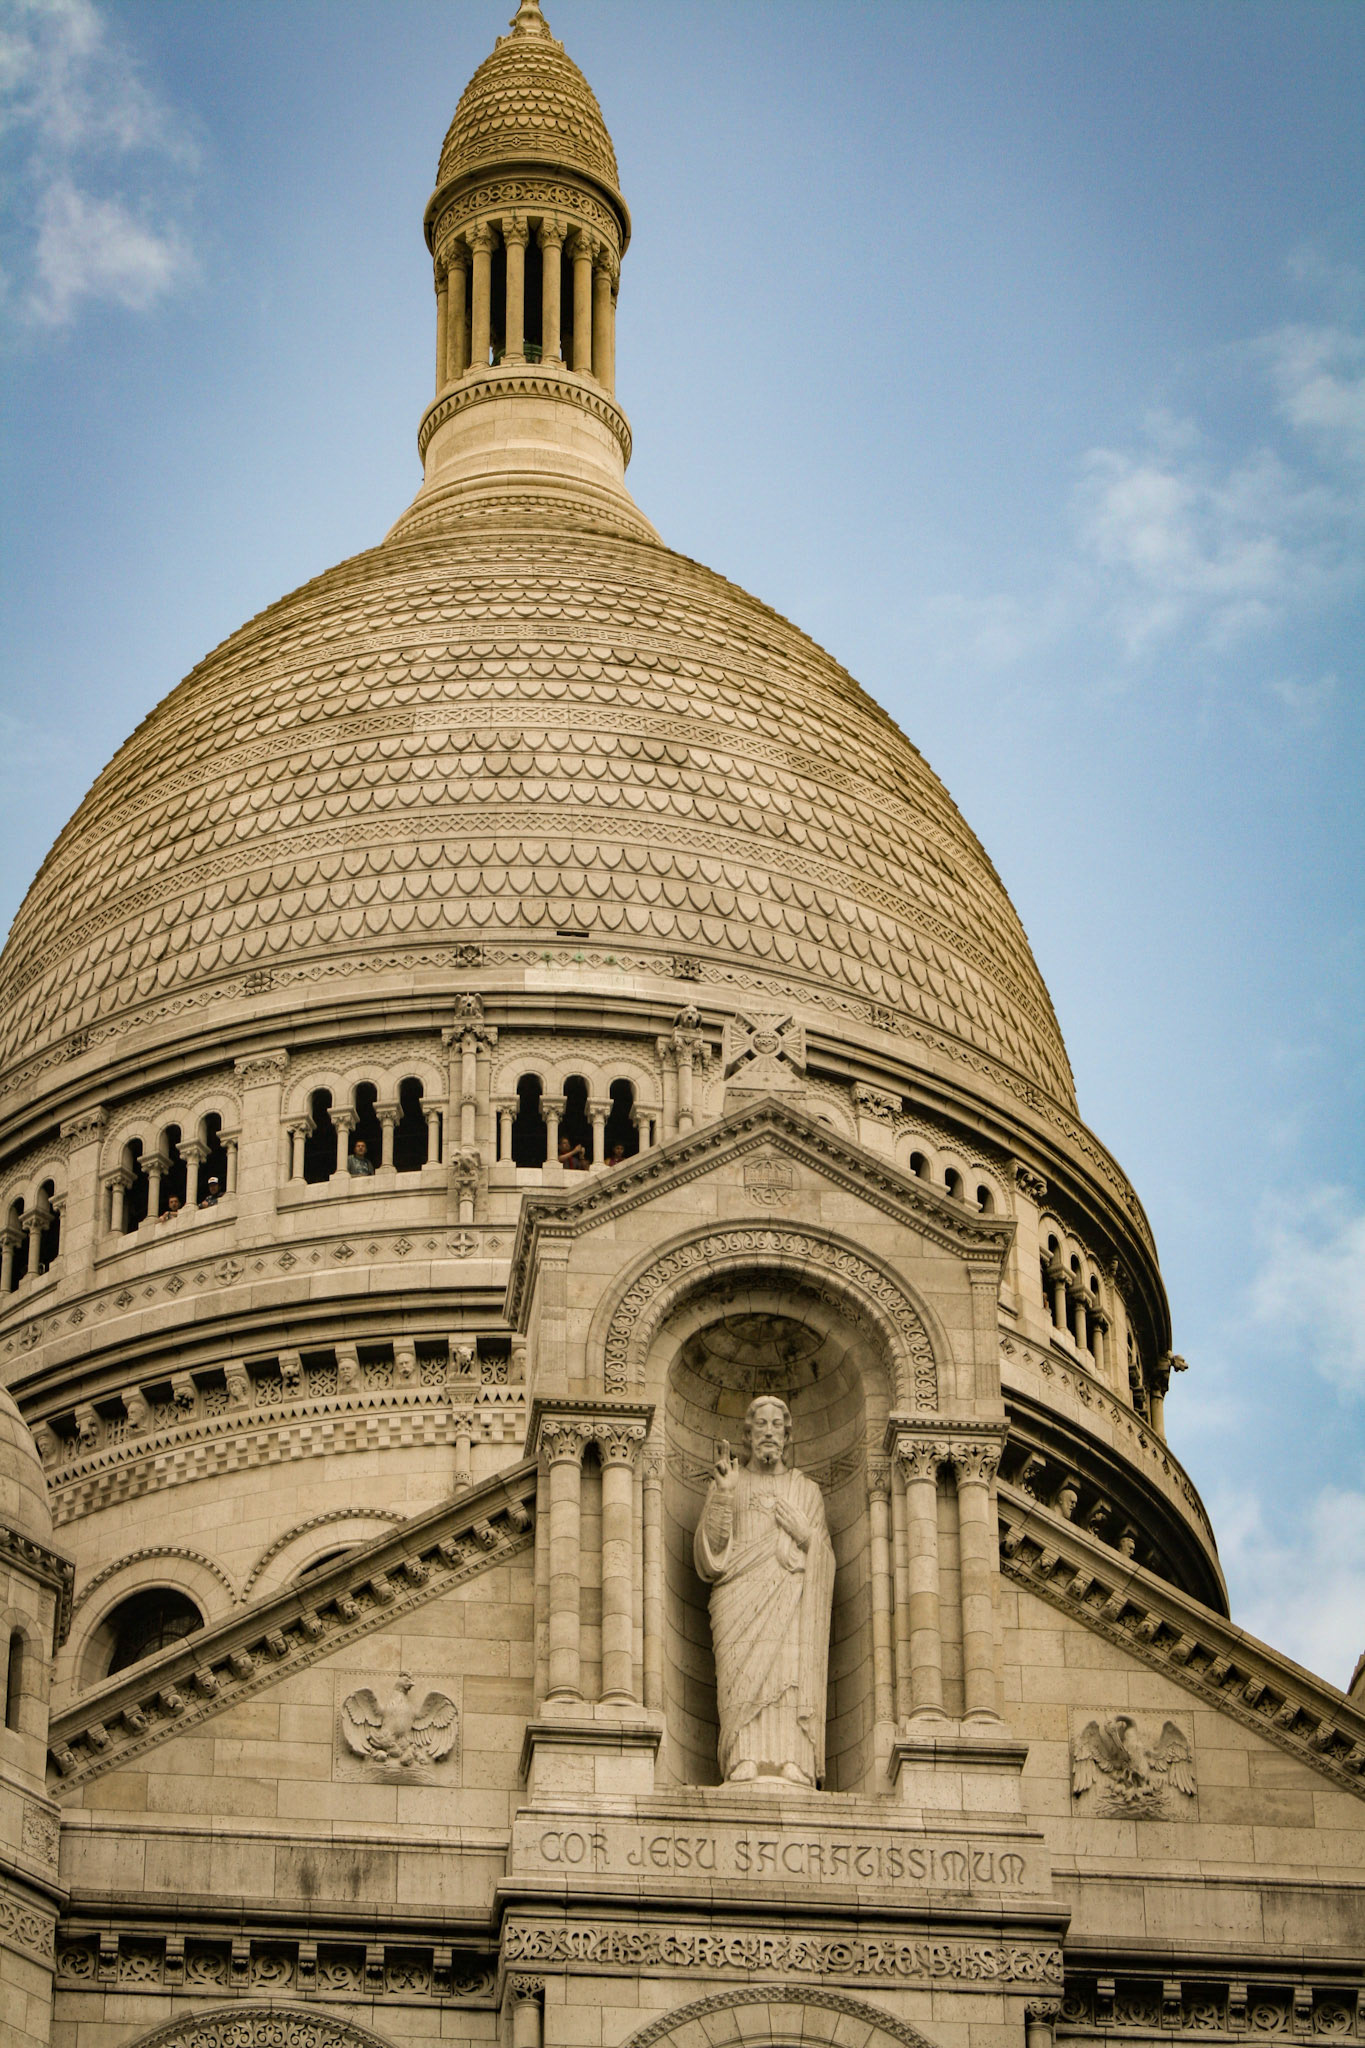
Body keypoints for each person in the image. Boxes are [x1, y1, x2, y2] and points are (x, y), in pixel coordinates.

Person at [693, 1394, 835, 1787]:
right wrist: (723, 1492)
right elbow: (711, 1553)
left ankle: (795, 1758)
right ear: (748, 1434)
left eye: (776, 1425)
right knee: (741, 1678)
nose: (769, 1432)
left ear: (787, 1436)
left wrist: (806, 1537)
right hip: (738, 1603)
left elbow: (825, 1560)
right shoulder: (730, 1482)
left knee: (787, 1675)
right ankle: (743, 1757)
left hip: (791, 1603)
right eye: (761, 1425)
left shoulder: (805, 1490)